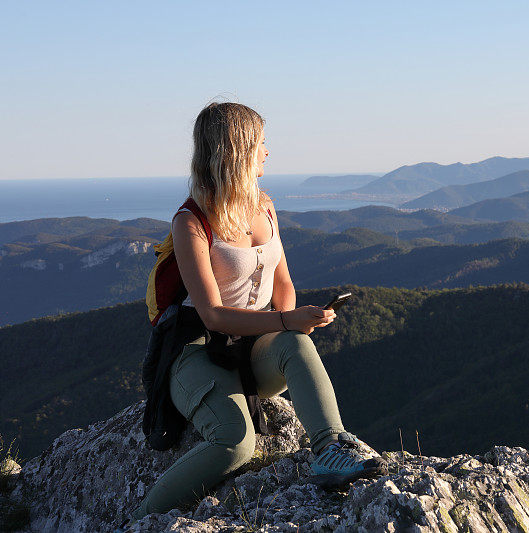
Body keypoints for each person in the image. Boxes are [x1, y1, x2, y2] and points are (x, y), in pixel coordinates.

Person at [128, 102, 387, 522]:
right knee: (235, 442)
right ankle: (142, 517)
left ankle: (329, 449)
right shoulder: (191, 222)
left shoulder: (265, 208)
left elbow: (283, 285)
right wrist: (285, 322)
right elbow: (212, 314)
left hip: (251, 344)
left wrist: (295, 326)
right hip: (195, 351)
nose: (267, 151)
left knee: (296, 345)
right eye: (261, 143)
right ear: (238, 150)